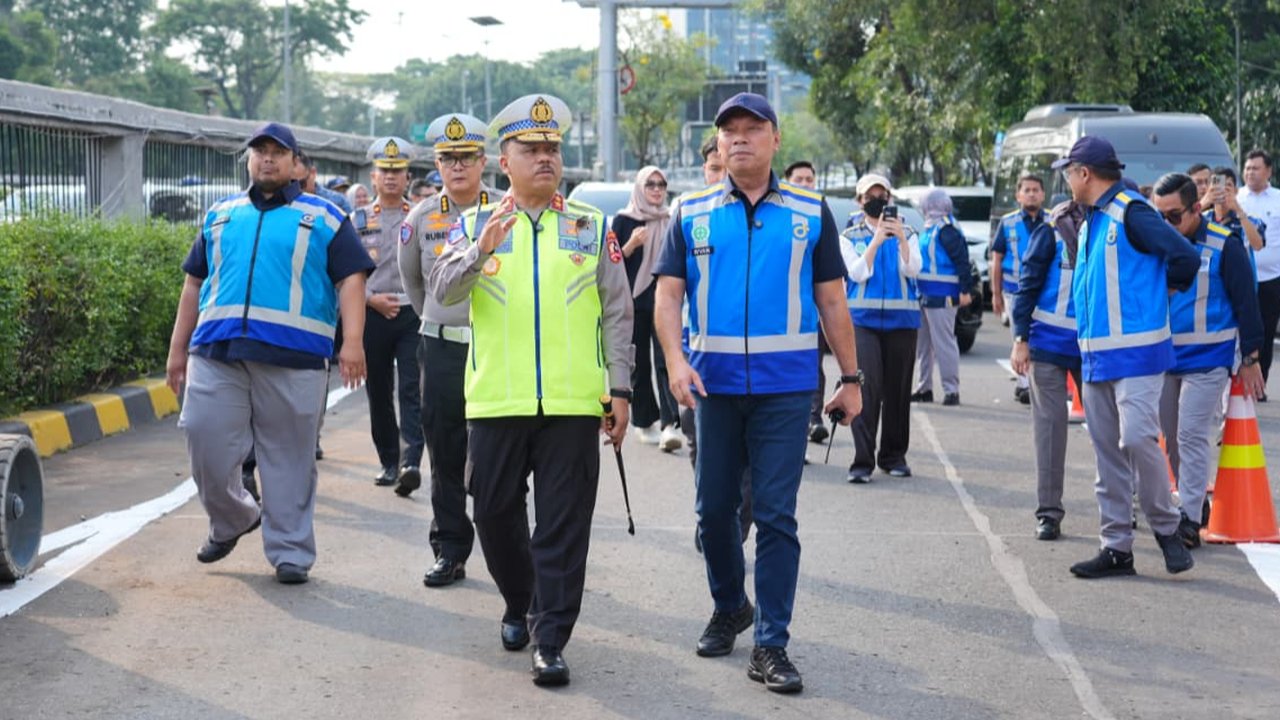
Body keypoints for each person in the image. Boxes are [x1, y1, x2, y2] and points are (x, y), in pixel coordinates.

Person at [654, 92, 862, 695]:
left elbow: (831, 300)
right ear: (718, 145)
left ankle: (771, 643)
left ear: (774, 139)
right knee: (713, 513)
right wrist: (673, 361)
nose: (740, 138)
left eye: (753, 129)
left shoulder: (809, 211)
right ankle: (729, 605)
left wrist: (850, 380)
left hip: (786, 391)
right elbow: (668, 296)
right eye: (730, 132)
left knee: (775, 516)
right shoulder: (690, 212)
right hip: (711, 388)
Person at [427, 94, 634, 687]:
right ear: (504, 161)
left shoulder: (591, 228)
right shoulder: (472, 224)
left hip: (572, 404)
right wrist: (481, 249)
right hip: (496, 400)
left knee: (564, 525)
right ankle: (519, 600)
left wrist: (619, 390)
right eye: (531, 149)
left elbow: (619, 316)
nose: (545, 158)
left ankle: (550, 635)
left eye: (552, 149)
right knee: (492, 513)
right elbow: (441, 295)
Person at [164, 122, 372, 585]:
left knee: (289, 459)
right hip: (216, 352)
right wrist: (177, 349)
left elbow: (352, 279)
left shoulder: (325, 217)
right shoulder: (221, 214)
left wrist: (353, 342)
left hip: (294, 356)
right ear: (248, 159)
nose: (268, 159)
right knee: (204, 438)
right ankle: (234, 517)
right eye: (260, 151)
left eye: (279, 152)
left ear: (297, 164)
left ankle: (291, 552)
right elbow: (194, 283)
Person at [1054, 136, 1199, 579]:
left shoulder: (1132, 212)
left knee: (1136, 439)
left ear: (1085, 173)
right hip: (1096, 357)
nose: (1065, 179)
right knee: (1107, 456)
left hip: (1137, 354)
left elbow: (1184, 257)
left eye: (1068, 171)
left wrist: (1164, 290)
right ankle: (1116, 547)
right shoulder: (1092, 220)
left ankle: (1167, 528)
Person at [399, 113, 493, 587]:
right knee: (445, 450)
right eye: (448, 159)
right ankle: (450, 548)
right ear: (437, 163)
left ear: (483, 162)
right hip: (441, 350)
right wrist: (439, 319)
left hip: (495, 351)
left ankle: (504, 548)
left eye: (467, 158)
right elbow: (414, 285)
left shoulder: (504, 211)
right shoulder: (420, 218)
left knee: (497, 454)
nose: (457, 167)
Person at [1151, 172, 1264, 547]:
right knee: (1172, 437)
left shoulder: (1223, 245)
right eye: (1159, 216)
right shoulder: (1158, 245)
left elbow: (1246, 300)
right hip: (1166, 358)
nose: (1166, 224)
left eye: (1173, 216)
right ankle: (1195, 503)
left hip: (1208, 358)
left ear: (1195, 208)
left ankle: (1188, 517)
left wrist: (1250, 355)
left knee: (1191, 433)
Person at [1010, 199, 1085, 541]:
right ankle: (1049, 513)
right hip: (1048, 344)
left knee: (1112, 431)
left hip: (1096, 347)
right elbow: (1027, 286)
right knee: (1050, 431)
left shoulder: (1112, 228)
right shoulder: (1051, 232)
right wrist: (1020, 338)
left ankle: (1123, 505)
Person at [355, 137, 424, 491]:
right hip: (373, 312)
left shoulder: (422, 215)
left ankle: (411, 460)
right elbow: (348, 273)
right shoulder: (359, 219)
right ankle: (389, 461)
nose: (392, 177)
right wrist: (370, 300)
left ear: (408, 176)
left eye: (398, 171)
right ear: (373, 177)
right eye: (386, 171)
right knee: (379, 390)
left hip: (412, 311)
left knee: (413, 388)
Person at [842, 173, 921, 484]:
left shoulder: (910, 232)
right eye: (869, 196)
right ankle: (862, 461)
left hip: (903, 322)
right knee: (867, 388)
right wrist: (875, 241)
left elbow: (913, 268)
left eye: (882, 195)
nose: (876, 200)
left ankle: (894, 456)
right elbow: (857, 273)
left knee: (899, 392)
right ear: (859, 201)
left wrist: (900, 237)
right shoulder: (849, 236)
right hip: (862, 323)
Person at [615, 166, 681, 450]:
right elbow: (609, 262)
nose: (656, 189)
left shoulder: (670, 221)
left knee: (666, 361)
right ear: (640, 188)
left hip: (664, 300)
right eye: (650, 184)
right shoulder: (624, 220)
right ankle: (645, 422)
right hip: (633, 302)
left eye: (661, 184)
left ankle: (670, 424)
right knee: (638, 364)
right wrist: (630, 245)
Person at [783, 160, 831, 441]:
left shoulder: (818, 217)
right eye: (798, 179)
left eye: (809, 180)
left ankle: (812, 420)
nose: (804, 184)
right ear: (786, 181)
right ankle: (797, 434)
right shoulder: (776, 216)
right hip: (779, 317)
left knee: (814, 367)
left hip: (810, 312)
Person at [912, 189, 973, 406]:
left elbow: (962, 260)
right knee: (923, 345)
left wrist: (966, 290)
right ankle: (924, 388)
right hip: (924, 293)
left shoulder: (946, 229)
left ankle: (951, 390)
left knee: (943, 343)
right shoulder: (930, 226)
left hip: (943, 294)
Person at [991, 174, 1046, 404]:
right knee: (1019, 335)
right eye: (1027, 190)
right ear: (1018, 195)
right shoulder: (1008, 222)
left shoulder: (1053, 221)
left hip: (1044, 290)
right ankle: (1023, 385)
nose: (1031, 193)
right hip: (1014, 289)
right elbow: (997, 259)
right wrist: (996, 293)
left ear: (1043, 194)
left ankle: (1032, 381)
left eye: (1036, 190)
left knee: (1038, 336)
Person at [1238, 149, 1280, 398]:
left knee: (1264, 330)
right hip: (1243, 278)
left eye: (1256, 168)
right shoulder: (1236, 198)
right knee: (1243, 329)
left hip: (1272, 279)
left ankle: (1259, 384)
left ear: (1268, 171)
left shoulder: (1277, 199)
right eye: (1247, 167)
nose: (1250, 172)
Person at [1207, 166, 1265, 254]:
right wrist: (1204, 202)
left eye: (1228, 185)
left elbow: (1258, 246)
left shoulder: (1250, 220)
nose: (1223, 189)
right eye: (1218, 184)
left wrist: (1238, 210)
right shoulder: (1203, 217)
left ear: (1236, 191)